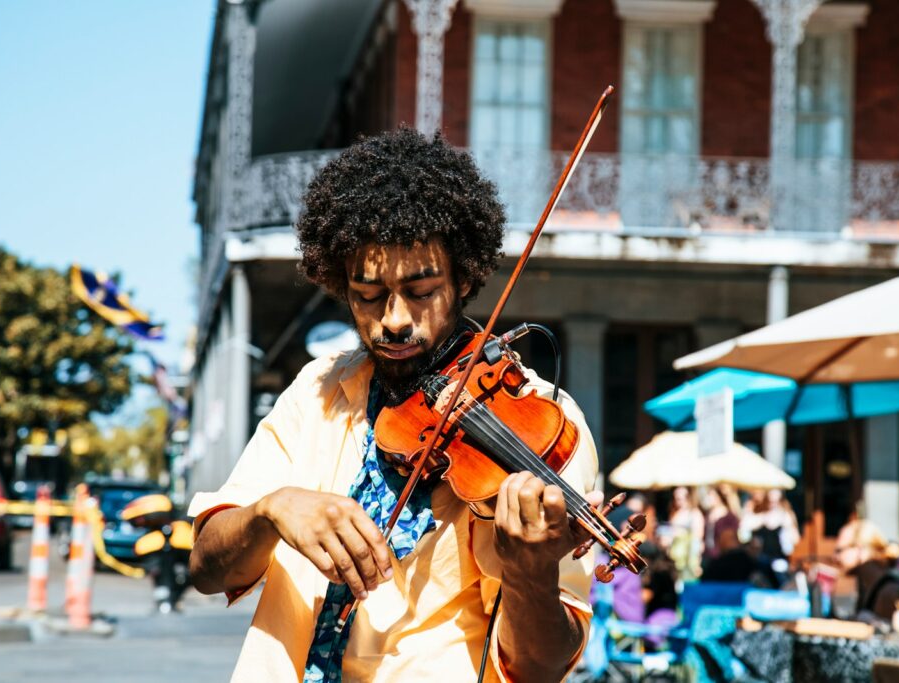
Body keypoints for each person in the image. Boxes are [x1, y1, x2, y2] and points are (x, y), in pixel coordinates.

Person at [188, 129, 604, 683]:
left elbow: (543, 665)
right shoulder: (317, 390)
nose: (394, 319)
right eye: (367, 295)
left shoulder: (544, 424)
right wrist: (271, 510)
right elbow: (206, 567)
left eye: (422, 290)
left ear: (463, 279)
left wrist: (531, 575)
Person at [834, 519, 899, 632]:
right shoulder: (870, 585)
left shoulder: (889, 591)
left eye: (839, 550)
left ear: (859, 549)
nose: (836, 558)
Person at [662, 486, 705, 582]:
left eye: (680, 498)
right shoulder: (675, 513)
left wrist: (696, 563)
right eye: (676, 498)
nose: (678, 501)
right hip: (674, 558)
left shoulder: (694, 514)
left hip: (688, 560)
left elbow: (697, 539)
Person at [702, 486, 740, 565]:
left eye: (711, 495)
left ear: (718, 497)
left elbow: (731, 539)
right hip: (707, 555)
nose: (708, 498)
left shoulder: (729, 517)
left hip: (723, 557)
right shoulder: (708, 515)